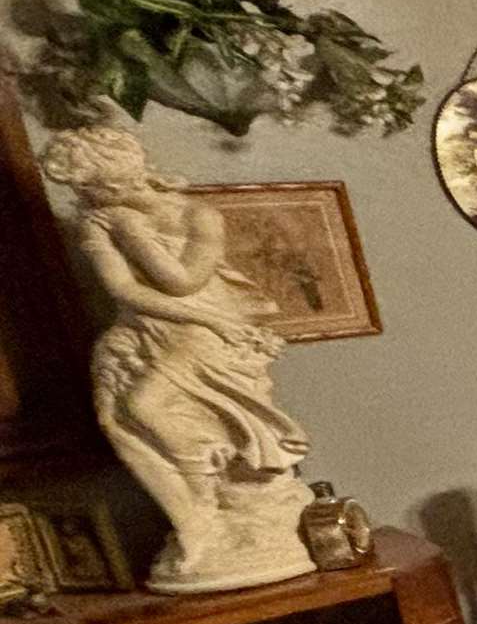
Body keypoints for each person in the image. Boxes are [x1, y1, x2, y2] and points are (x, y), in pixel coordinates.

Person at [39, 121, 314, 591]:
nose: (90, 198)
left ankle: (210, 485)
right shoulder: (96, 222)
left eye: (95, 187)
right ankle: (201, 510)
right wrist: (117, 229)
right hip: (150, 326)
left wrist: (131, 231)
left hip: (203, 325)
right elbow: (122, 290)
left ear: (122, 177)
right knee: (120, 416)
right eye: (84, 191)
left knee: (145, 405)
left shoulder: (197, 215)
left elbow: (180, 281)